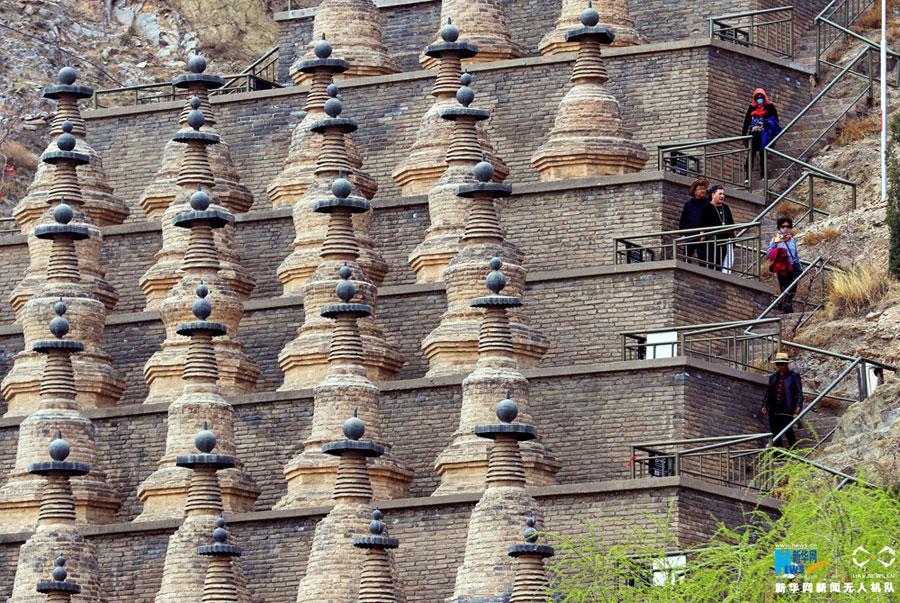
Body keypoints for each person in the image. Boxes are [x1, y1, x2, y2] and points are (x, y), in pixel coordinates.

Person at [760, 352, 803, 448]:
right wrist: (765, 405)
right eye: (778, 364)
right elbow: (769, 392)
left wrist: (798, 406)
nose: (780, 366)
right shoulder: (773, 377)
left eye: (782, 364)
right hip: (774, 408)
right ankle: (778, 453)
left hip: (787, 408)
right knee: (775, 432)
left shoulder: (794, 376)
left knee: (788, 430)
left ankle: (794, 450)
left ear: (786, 364)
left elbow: (799, 393)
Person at [741, 88, 781, 180]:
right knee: (751, 155)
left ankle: (763, 176)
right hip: (753, 134)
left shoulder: (769, 106)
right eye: (757, 97)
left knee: (763, 154)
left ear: (764, 97)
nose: (759, 99)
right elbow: (747, 122)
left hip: (765, 134)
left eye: (761, 97)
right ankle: (748, 177)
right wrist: (744, 136)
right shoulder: (752, 107)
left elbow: (775, 119)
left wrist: (768, 124)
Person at [768, 217, 802, 313]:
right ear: (779, 227)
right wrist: (778, 252)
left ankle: (782, 304)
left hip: (792, 266)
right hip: (782, 268)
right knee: (786, 288)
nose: (785, 228)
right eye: (783, 226)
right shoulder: (775, 240)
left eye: (788, 226)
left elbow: (795, 254)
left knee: (793, 288)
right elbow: (769, 253)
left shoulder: (791, 239)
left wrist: (798, 265)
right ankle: (788, 309)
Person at [699, 185, 736, 271]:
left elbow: (732, 225)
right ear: (713, 194)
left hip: (726, 242)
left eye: (723, 194)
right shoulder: (706, 208)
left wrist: (734, 238)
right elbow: (702, 228)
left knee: (726, 267)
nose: (722, 196)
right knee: (713, 267)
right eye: (720, 194)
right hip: (712, 243)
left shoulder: (725, 208)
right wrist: (701, 242)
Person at [679, 178, 710, 264]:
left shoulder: (708, 204)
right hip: (691, 234)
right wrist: (683, 234)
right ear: (694, 191)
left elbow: (710, 219)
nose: (703, 191)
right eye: (700, 189)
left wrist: (705, 231)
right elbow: (684, 220)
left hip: (704, 235)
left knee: (703, 256)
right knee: (687, 255)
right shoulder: (689, 204)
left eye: (704, 188)